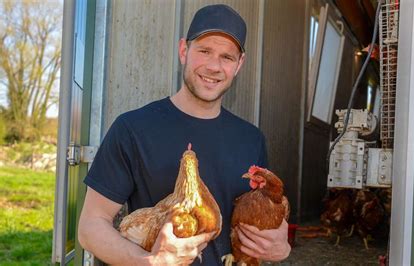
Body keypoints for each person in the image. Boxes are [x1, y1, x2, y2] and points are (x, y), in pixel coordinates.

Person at [78, 4, 291, 265]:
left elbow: (261, 223)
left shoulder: (252, 139)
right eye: (204, 51)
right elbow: (90, 227)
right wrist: (150, 262)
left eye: (227, 57)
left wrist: (282, 247)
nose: (214, 66)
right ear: (183, 51)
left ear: (239, 65)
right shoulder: (133, 128)